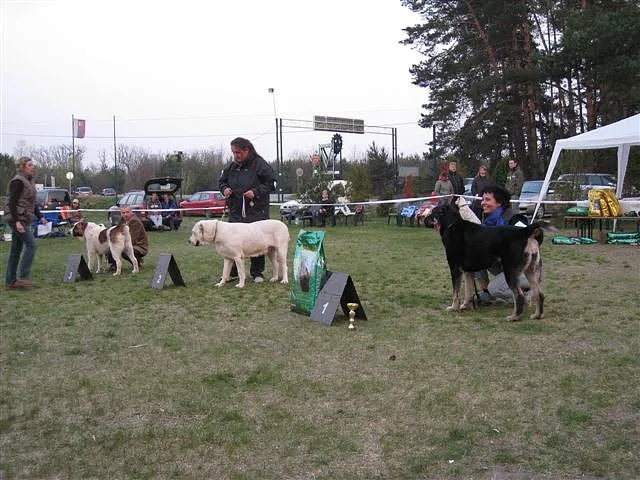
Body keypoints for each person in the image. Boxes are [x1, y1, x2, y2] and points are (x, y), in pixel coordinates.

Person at [219, 137, 275, 283]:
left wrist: (255, 192)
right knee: (231, 242)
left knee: (256, 241)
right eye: (233, 152)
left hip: (256, 210)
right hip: (236, 211)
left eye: (237, 152)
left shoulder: (260, 164)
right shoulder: (231, 167)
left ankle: (257, 273)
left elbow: (271, 184)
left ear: (246, 150)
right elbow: (222, 181)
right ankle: (232, 273)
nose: (235, 155)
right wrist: (224, 189)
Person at [476, 185, 530, 304]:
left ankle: (526, 294)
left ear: (499, 203)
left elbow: (529, 244)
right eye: (482, 199)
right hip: (504, 266)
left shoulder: (514, 219)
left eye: (487, 199)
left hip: (524, 268)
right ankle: (486, 292)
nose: (483, 203)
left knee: (495, 289)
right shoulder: (488, 222)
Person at [4, 156, 48, 289]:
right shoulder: (18, 181)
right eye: (29, 165)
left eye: (32, 164)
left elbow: (31, 203)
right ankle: (23, 277)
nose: (32, 167)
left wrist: (40, 217)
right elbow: (12, 203)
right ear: (23, 167)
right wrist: (17, 222)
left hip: (24, 217)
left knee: (16, 250)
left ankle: (11, 281)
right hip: (17, 218)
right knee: (31, 245)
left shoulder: (29, 182)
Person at [107, 206, 149, 270]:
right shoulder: (122, 220)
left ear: (131, 212)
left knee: (125, 252)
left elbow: (133, 239)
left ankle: (138, 262)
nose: (125, 214)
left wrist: (120, 245)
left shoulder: (134, 221)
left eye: (127, 212)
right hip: (127, 242)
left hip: (140, 245)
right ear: (121, 213)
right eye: (123, 213)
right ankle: (113, 265)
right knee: (111, 247)